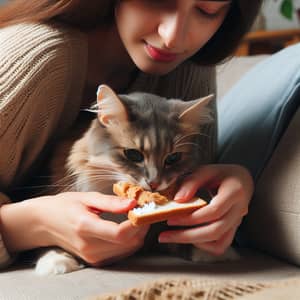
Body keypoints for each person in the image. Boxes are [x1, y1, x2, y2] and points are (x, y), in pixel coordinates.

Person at [0, 0, 264, 268]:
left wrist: (236, 181)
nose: (173, 37)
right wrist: (31, 225)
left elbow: (180, 198)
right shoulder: (34, 55)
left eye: (206, 11)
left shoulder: (189, 63)